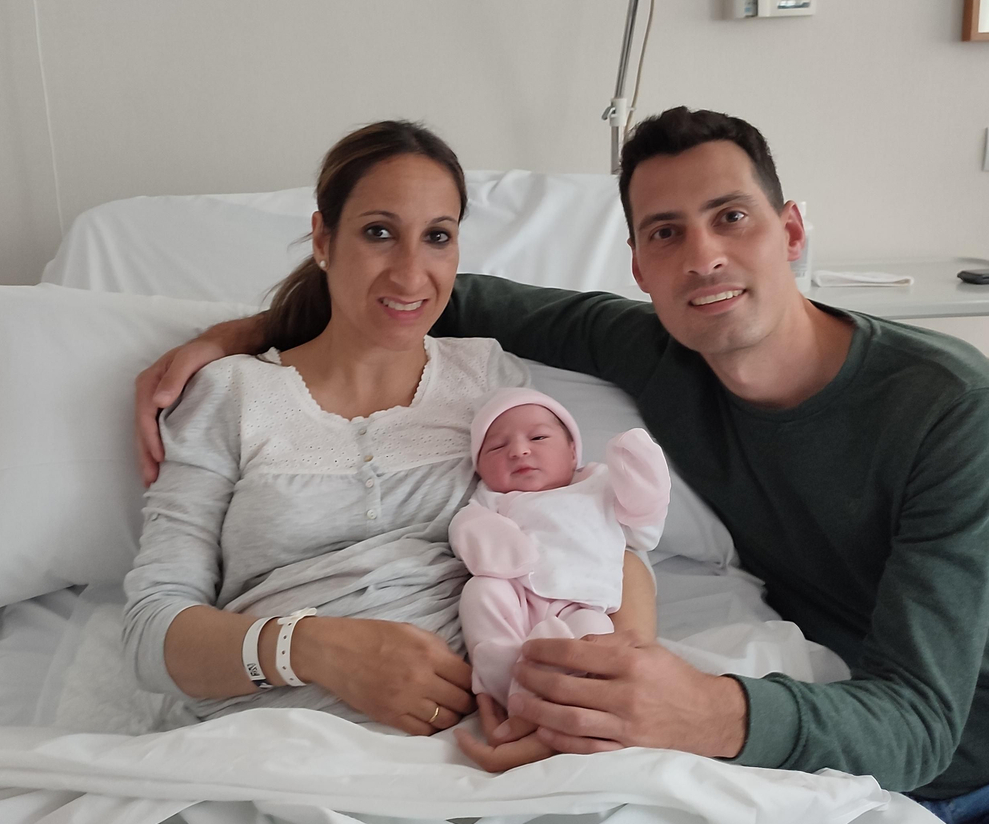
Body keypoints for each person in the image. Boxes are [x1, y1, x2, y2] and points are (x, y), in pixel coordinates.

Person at [134, 107, 989, 824]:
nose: (702, 256)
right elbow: (416, 299)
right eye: (665, 232)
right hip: (820, 754)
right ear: (637, 262)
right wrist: (229, 343)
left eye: (730, 218)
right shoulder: (656, 344)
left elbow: (924, 722)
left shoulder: (949, 412)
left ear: (791, 229)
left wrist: (711, 710)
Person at [122, 119, 653, 752]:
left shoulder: (488, 378)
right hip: (272, 749)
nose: (410, 273)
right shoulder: (230, 395)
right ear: (323, 238)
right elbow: (153, 630)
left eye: (437, 238)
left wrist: (607, 685)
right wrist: (314, 649)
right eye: (379, 233)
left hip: (487, 745)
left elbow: (590, 531)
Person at [451, 388, 669, 706]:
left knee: (593, 634)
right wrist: (500, 551)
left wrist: (641, 476)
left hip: (581, 602)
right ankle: (505, 684)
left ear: (571, 452)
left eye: (538, 438)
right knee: (480, 593)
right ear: (480, 470)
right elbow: (466, 527)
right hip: (516, 594)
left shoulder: (598, 484)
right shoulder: (491, 499)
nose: (519, 451)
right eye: (497, 446)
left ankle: (550, 692)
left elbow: (642, 527)